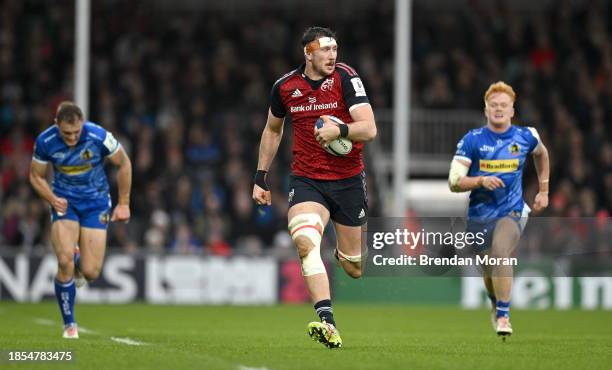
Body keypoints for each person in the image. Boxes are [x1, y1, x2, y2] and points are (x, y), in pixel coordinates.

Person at [252, 26, 377, 349]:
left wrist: (340, 131)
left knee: (354, 267)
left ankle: (340, 249)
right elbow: (272, 130)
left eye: (335, 49)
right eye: (325, 50)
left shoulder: (347, 78)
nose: (332, 55)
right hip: (307, 180)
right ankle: (328, 323)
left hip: (348, 181)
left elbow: (370, 129)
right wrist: (260, 176)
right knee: (306, 242)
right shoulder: (285, 87)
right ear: (308, 53)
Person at [448, 81, 550, 338]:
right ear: (486, 109)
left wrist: (544, 190)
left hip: (512, 211)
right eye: (494, 105)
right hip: (479, 215)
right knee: (488, 267)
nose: (499, 109)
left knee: (501, 251)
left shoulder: (527, 136)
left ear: (512, 110)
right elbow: (454, 182)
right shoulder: (472, 140)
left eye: (504, 105)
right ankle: (495, 301)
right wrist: (480, 180)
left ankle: (504, 316)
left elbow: (542, 154)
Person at [29, 101, 132, 339]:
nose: (73, 137)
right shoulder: (46, 142)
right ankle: (69, 325)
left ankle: (78, 259)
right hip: (65, 202)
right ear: (57, 125)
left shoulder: (98, 136)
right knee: (63, 260)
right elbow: (35, 176)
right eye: (67, 133)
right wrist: (51, 198)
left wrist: (124, 203)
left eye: (77, 132)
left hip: (96, 202)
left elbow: (124, 163)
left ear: (83, 124)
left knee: (91, 272)